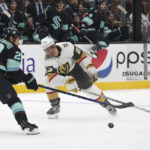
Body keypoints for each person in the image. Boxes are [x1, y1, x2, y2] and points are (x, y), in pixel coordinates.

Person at [40, 36, 117, 119]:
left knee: (89, 88)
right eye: (47, 50)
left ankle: (106, 103)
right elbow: (53, 79)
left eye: (51, 48)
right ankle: (55, 106)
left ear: (54, 45)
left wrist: (88, 67)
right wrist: (66, 81)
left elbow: (82, 56)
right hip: (60, 74)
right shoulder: (47, 60)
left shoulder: (67, 46)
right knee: (47, 81)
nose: (50, 51)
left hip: (75, 69)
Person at [0, 26, 39, 135]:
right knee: (13, 100)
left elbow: (8, 76)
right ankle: (25, 124)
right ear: (11, 38)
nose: (19, 42)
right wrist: (28, 79)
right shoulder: (12, 48)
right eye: (17, 39)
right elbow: (13, 73)